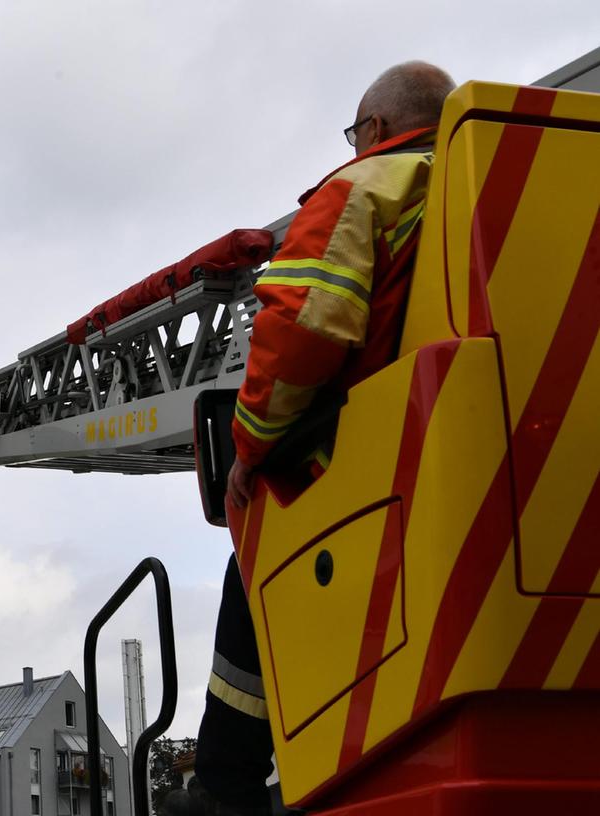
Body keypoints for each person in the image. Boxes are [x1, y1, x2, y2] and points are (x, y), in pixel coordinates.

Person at [190, 61, 457, 816]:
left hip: (374, 455)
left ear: (373, 129)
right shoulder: (500, 177)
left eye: (355, 132)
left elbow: (303, 328)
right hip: (498, 453)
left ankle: (224, 787)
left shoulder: (365, 186)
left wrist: (245, 451)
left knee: (255, 564)